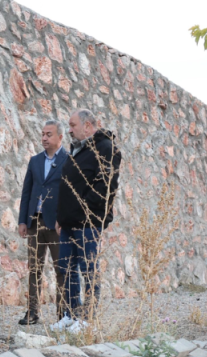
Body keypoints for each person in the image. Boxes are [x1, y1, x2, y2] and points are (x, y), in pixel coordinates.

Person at [54, 109, 122, 333]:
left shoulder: (106, 148)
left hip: (87, 223)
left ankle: (88, 319)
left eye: (73, 125)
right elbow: (68, 186)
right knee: (68, 269)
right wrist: (61, 217)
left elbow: (105, 187)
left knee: (88, 269)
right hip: (68, 223)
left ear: (88, 126)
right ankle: (71, 315)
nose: (70, 130)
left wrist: (84, 213)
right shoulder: (78, 150)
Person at [17, 120, 69, 325]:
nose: (44, 138)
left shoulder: (69, 160)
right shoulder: (35, 161)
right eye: (43, 134)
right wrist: (23, 220)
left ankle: (63, 315)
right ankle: (32, 313)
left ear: (60, 137)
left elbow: (71, 195)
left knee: (60, 270)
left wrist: (65, 220)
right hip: (35, 223)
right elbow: (26, 192)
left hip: (57, 225)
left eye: (49, 134)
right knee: (34, 268)